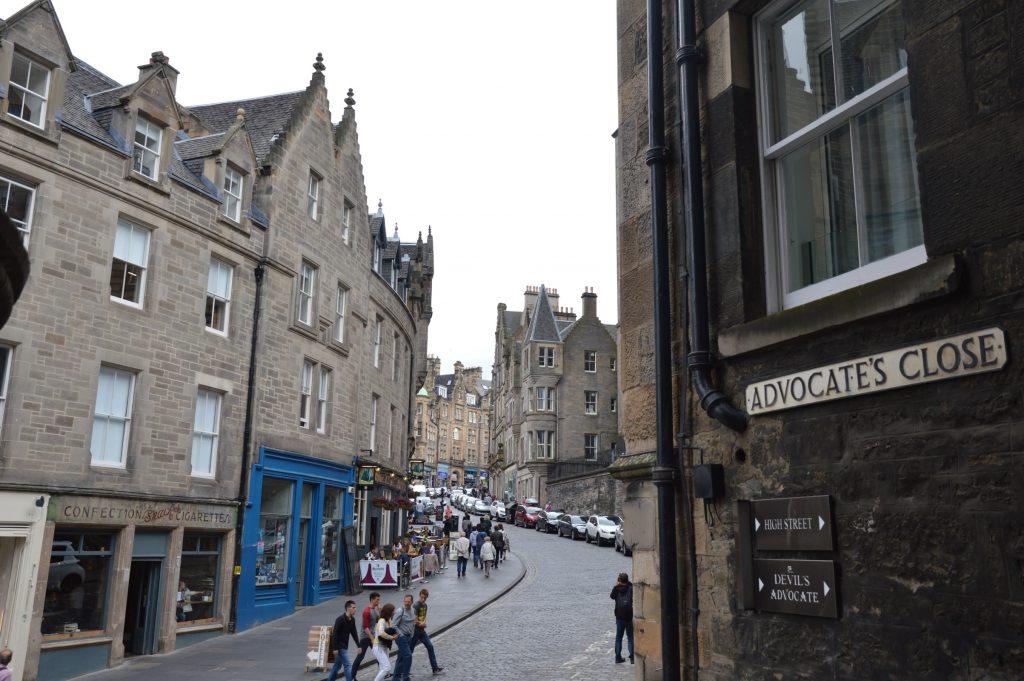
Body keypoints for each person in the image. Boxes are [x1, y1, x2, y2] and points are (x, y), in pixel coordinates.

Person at [409, 588, 444, 676]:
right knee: (409, 651)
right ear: (419, 595)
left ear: (427, 597)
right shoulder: (416, 606)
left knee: (430, 646)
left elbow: (424, 617)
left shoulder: (425, 605)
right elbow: (414, 620)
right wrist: (422, 624)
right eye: (421, 597)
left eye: (424, 598)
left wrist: (424, 623)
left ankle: (435, 668)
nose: (422, 599)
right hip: (415, 631)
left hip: (422, 631)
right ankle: (404, 671)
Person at [351, 591, 381, 681]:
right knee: (360, 657)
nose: (378, 601)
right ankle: (352, 675)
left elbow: (378, 621)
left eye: (379, 599)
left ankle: (384, 672)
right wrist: (372, 638)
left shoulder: (375, 609)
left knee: (379, 655)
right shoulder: (367, 611)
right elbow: (365, 627)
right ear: (372, 600)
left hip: (372, 636)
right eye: (377, 600)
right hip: (365, 637)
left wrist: (379, 611)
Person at [328, 600, 359, 681]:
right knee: (348, 664)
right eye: (354, 607)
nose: (355, 609)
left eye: (355, 607)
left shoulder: (352, 619)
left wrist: (358, 645)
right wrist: (335, 648)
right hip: (339, 646)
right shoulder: (340, 619)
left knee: (337, 666)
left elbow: (354, 633)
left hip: (344, 646)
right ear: (348, 608)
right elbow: (334, 634)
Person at [611, 572, 635, 664]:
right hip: (629, 616)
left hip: (619, 616)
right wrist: (628, 583)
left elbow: (612, 596)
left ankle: (618, 657)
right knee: (630, 637)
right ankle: (632, 657)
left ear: (619, 580)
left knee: (619, 637)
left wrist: (616, 585)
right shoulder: (630, 588)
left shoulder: (616, 589)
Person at [392, 594, 416, 681]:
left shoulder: (413, 610)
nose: (406, 603)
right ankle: (406, 678)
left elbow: (413, 622)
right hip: (401, 637)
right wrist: (400, 634)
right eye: (405, 601)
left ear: (412, 602)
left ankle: (395, 678)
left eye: (408, 602)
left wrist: (412, 634)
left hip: (409, 637)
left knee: (401, 658)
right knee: (408, 656)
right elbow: (393, 625)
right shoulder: (400, 611)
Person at [371, 603, 397, 681]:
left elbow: (393, 629)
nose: (394, 612)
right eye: (393, 611)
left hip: (385, 646)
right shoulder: (381, 621)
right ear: (389, 612)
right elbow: (381, 633)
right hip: (378, 647)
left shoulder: (389, 620)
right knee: (387, 667)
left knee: (384, 668)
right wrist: (392, 637)